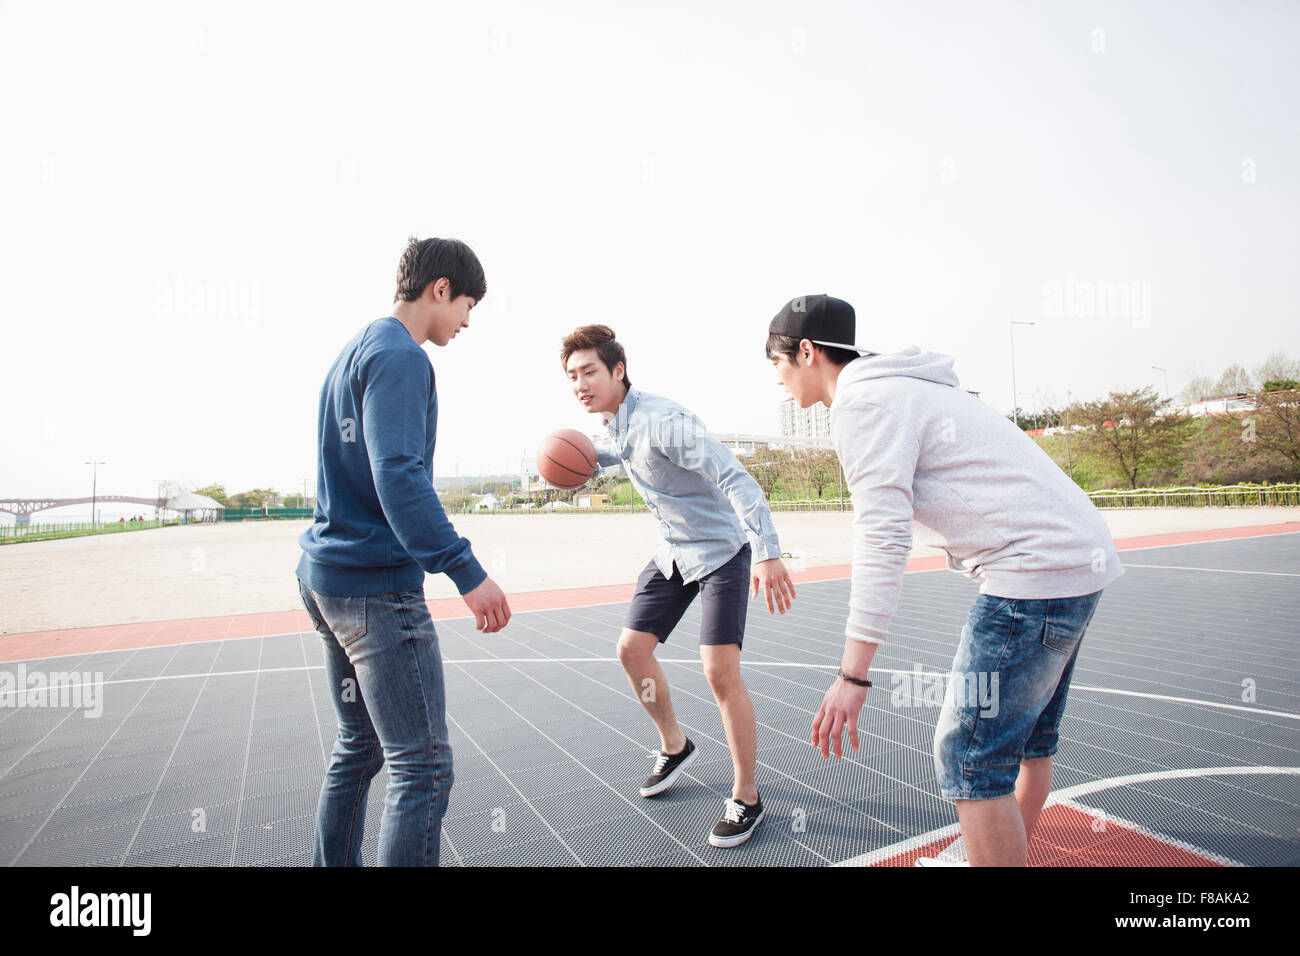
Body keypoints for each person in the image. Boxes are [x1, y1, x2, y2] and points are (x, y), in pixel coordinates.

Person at [766, 294, 1124, 867]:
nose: (778, 382)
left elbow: (883, 540)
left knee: (969, 759)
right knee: (1024, 744)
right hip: (1075, 560)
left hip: (1033, 571)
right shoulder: (909, 386)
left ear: (806, 352)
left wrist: (852, 675)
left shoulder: (864, 403)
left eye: (777, 365)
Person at [296, 236, 512, 867]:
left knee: (357, 748)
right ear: (440, 289)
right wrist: (466, 570)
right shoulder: (403, 357)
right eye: (468, 305)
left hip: (324, 576)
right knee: (422, 767)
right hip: (373, 587)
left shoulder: (354, 350)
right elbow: (398, 474)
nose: (468, 322)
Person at [562, 324, 796, 848]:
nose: (580, 383)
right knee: (631, 650)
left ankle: (747, 795)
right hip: (675, 551)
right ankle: (675, 744)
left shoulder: (664, 422)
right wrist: (587, 459)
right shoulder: (615, 421)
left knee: (718, 672)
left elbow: (736, 477)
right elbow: (626, 451)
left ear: (617, 370)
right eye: (572, 376)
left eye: (589, 372)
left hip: (721, 552)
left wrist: (769, 551)